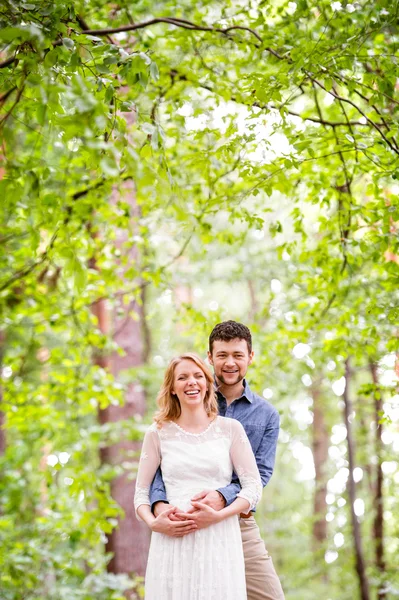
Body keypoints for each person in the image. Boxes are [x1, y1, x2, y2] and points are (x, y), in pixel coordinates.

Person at [150, 321, 285, 600]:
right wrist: (159, 503)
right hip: (183, 517)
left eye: (237, 355)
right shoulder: (191, 397)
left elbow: (258, 475)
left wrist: (221, 498)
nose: (230, 363)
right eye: (222, 355)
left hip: (237, 519)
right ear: (210, 357)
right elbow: (163, 460)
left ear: (250, 357)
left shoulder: (266, 415)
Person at [134, 352, 262, 600]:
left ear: (207, 383)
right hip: (171, 541)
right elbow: (140, 492)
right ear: (172, 388)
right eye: (182, 377)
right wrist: (153, 523)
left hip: (219, 538)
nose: (191, 382)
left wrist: (218, 515)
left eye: (197, 376)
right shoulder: (157, 433)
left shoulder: (230, 429)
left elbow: (253, 487)